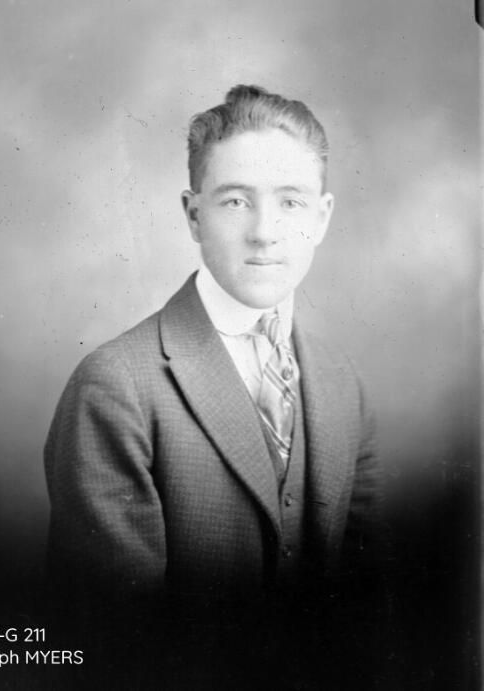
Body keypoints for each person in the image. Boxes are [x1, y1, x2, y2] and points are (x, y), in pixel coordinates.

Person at [44, 85, 389, 690]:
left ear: (322, 218)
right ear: (193, 215)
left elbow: (363, 611)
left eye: (291, 202)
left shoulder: (343, 384)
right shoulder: (115, 386)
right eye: (235, 201)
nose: (265, 232)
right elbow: (114, 646)